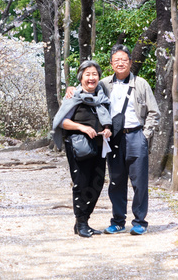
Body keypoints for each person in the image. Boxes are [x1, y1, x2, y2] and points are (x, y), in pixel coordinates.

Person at [66, 45, 159, 235]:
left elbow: (154, 112)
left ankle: (140, 221)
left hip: (135, 135)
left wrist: (145, 135)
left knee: (139, 182)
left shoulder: (141, 84)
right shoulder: (104, 84)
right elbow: (86, 88)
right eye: (116, 60)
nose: (120, 63)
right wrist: (70, 89)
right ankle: (118, 221)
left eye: (124, 60)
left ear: (130, 62)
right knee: (116, 180)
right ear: (111, 64)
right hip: (113, 137)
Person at [51, 60, 113, 237]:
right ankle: (81, 222)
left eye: (94, 74)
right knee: (81, 184)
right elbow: (62, 121)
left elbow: (106, 119)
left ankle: (83, 222)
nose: (91, 78)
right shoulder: (73, 96)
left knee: (97, 184)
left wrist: (107, 129)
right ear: (81, 78)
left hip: (100, 146)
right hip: (79, 147)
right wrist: (82, 127)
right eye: (87, 74)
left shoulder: (102, 98)